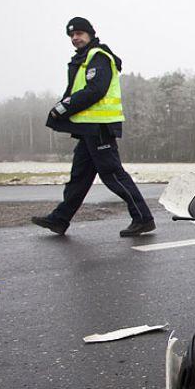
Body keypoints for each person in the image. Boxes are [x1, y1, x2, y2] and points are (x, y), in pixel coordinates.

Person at [32, 17, 155, 237]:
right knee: (79, 178)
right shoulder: (83, 59)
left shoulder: (98, 57)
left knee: (113, 175)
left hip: (99, 128)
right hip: (86, 129)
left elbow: (95, 90)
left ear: (90, 34)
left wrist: (63, 108)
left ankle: (143, 218)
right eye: (71, 35)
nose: (75, 38)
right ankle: (60, 219)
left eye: (79, 33)